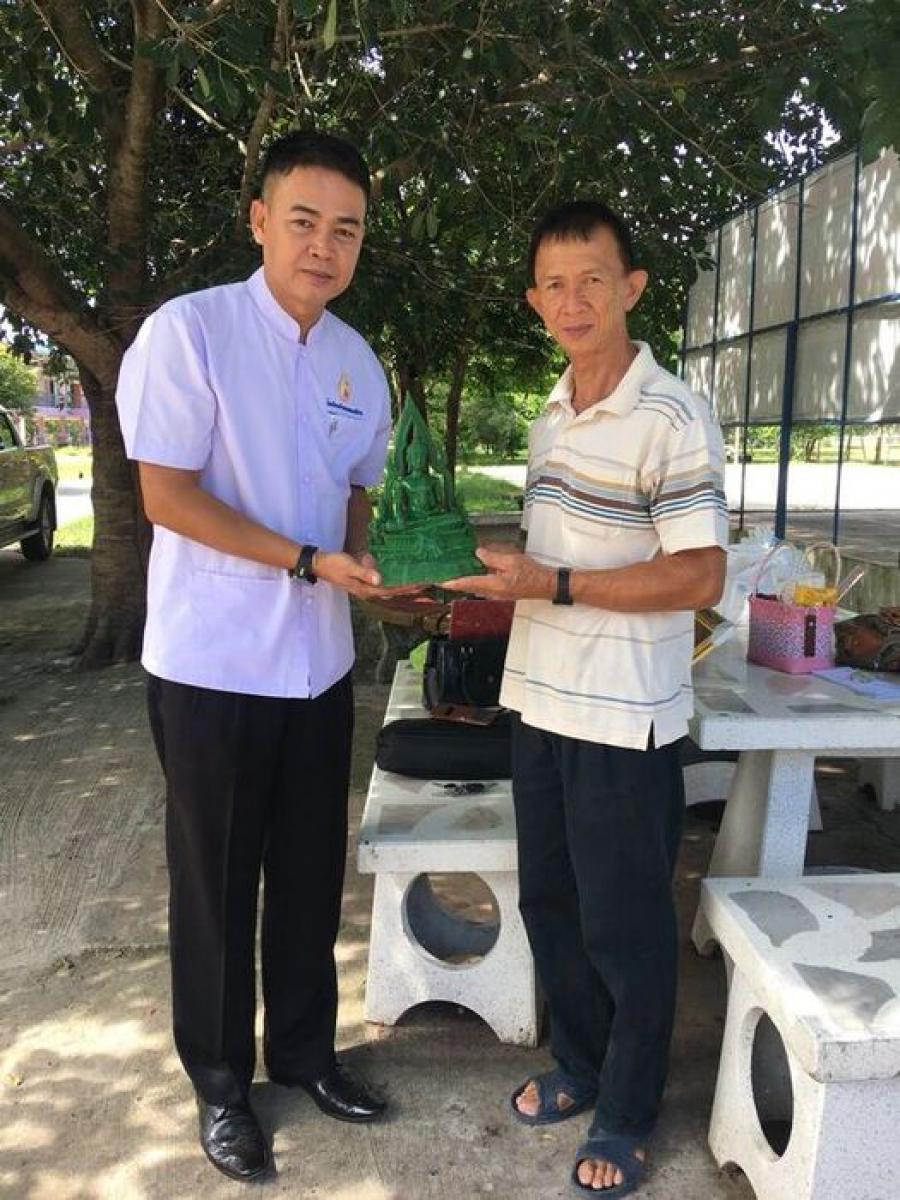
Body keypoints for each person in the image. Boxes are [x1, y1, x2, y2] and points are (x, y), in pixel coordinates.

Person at [115, 130, 408, 1182]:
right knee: (216, 880)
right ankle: (220, 1084)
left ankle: (307, 1054)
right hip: (212, 663)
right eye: (304, 221)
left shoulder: (355, 360)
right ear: (259, 221)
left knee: (309, 873)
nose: (324, 246)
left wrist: (368, 559)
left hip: (317, 663)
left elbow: (359, 487)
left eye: (347, 230)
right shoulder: (189, 333)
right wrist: (302, 558)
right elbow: (167, 495)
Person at [444, 200, 727, 1197]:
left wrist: (551, 583)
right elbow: (551, 554)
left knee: (626, 921)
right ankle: (579, 1063)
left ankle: (629, 1108)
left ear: (631, 288)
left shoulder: (672, 415)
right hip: (541, 700)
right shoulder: (552, 414)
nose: (573, 301)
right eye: (554, 285)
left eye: (592, 280)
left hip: (621, 713)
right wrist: (481, 572)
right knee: (552, 904)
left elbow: (699, 576)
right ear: (536, 300)